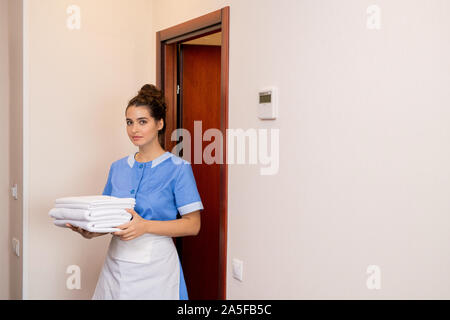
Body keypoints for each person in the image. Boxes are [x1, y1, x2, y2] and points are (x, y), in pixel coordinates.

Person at [67, 84, 203, 300]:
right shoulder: (118, 167)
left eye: (142, 122)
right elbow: (109, 218)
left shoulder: (178, 169)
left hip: (157, 268)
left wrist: (145, 226)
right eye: (129, 122)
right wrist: (91, 231)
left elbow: (193, 225)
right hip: (117, 264)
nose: (134, 130)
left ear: (159, 123)